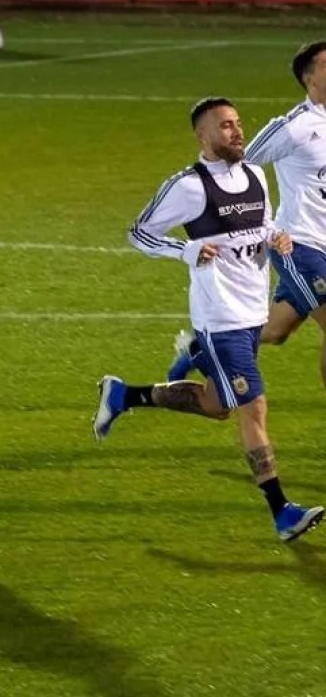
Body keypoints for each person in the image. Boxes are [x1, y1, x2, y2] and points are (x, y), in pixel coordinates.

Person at [92, 97, 324, 542]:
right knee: (253, 408)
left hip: (253, 308)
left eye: (238, 124)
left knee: (220, 406)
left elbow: (264, 222)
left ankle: (124, 396)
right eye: (225, 126)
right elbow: (139, 232)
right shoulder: (189, 187)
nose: (236, 132)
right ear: (203, 136)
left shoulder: (256, 174)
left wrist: (274, 236)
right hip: (220, 315)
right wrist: (185, 250)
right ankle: (282, 512)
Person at [168, 40, 326, 387]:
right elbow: (238, 163)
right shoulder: (294, 126)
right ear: (310, 79)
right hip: (300, 244)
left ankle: (201, 350)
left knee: (275, 331)